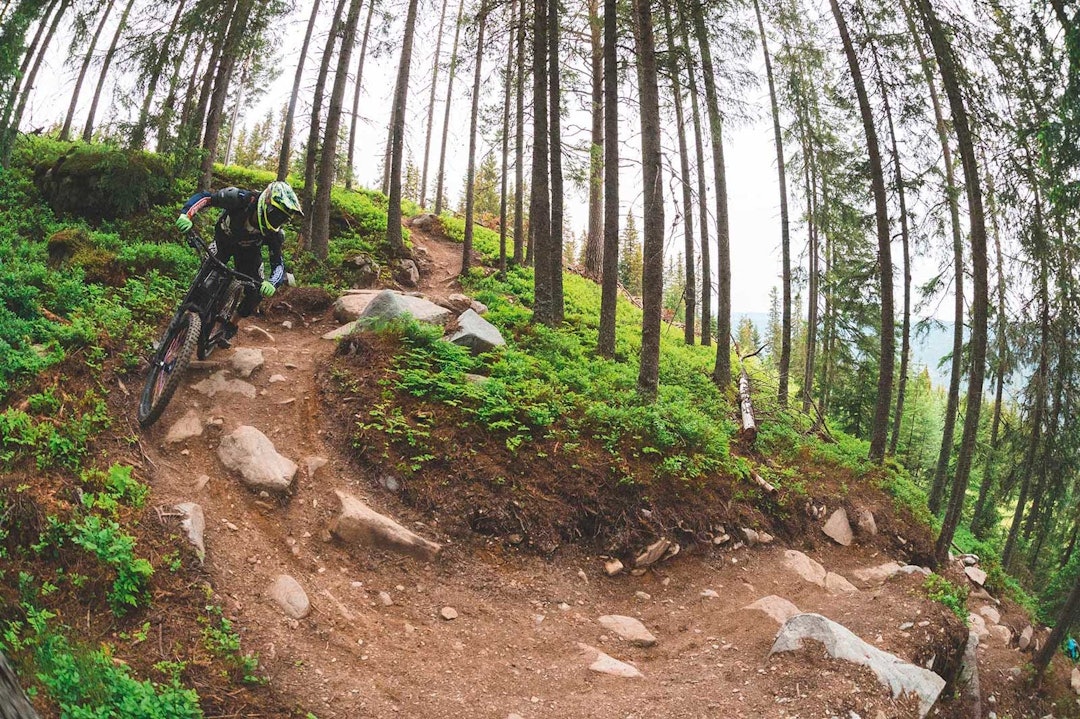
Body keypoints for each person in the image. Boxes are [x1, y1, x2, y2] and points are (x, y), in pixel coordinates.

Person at [175, 181, 302, 347]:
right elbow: (206, 198)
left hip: (248, 254)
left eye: (282, 218)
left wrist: (272, 283)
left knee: (255, 293)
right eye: (276, 215)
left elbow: (278, 264)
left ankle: (231, 325)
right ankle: (179, 322)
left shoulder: (274, 234)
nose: (277, 221)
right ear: (266, 204)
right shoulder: (238, 198)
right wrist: (186, 214)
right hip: (223, 243)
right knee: (203, 281)